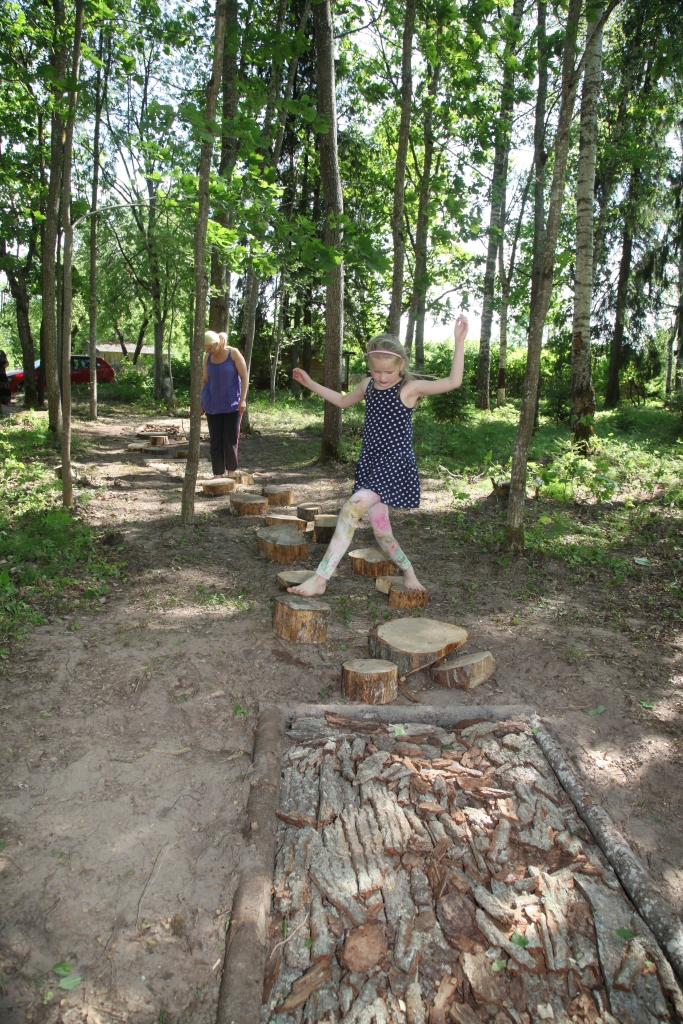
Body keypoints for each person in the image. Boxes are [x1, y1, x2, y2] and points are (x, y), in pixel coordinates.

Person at [288, 315, 468, 596]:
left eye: (389, 372)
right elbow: (342, 400)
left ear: (401, 366)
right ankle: (408, 569)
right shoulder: (367, 386)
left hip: (394, 463)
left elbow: (453, 381)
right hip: (370, 463)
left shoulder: (409, 389)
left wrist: (459, 342)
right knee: (381, 531)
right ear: (370, 368)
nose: (382, 377)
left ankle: (321, 578)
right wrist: (310, 383)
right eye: (377, 371)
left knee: (350, 509)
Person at [201, 331, 248, 477]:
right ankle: (218, 474)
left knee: (230, 439)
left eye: (210, 349)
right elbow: (204, 380)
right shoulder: (207, 357)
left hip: (232, 404)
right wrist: (202, 403)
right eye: (206, 349)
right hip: (212, 405)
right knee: (215, 440)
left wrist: (243, 400)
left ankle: (231, 473)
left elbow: (244, 377)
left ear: (217, 344)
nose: (208, 351)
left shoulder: (233, 353)